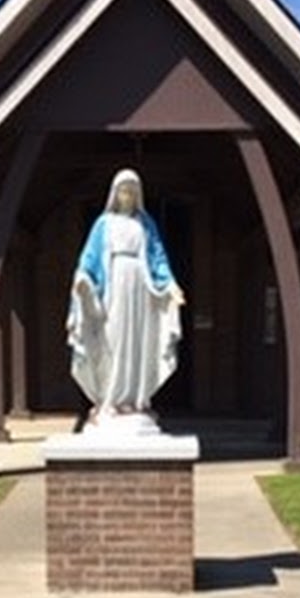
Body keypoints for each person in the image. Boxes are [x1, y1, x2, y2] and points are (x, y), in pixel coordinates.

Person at [67, 168, 185, 431]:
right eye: (123, 191)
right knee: (112, 338)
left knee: (137, 341)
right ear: (115, 194)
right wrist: (83, 276)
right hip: (114, 286)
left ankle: (133, 397)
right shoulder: (104, 224)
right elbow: (90, 257)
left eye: (132, 192)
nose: (127, 196)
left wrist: (170, 284)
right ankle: (109, 398)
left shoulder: (146, 224)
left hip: (140, 286)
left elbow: (158, 258)